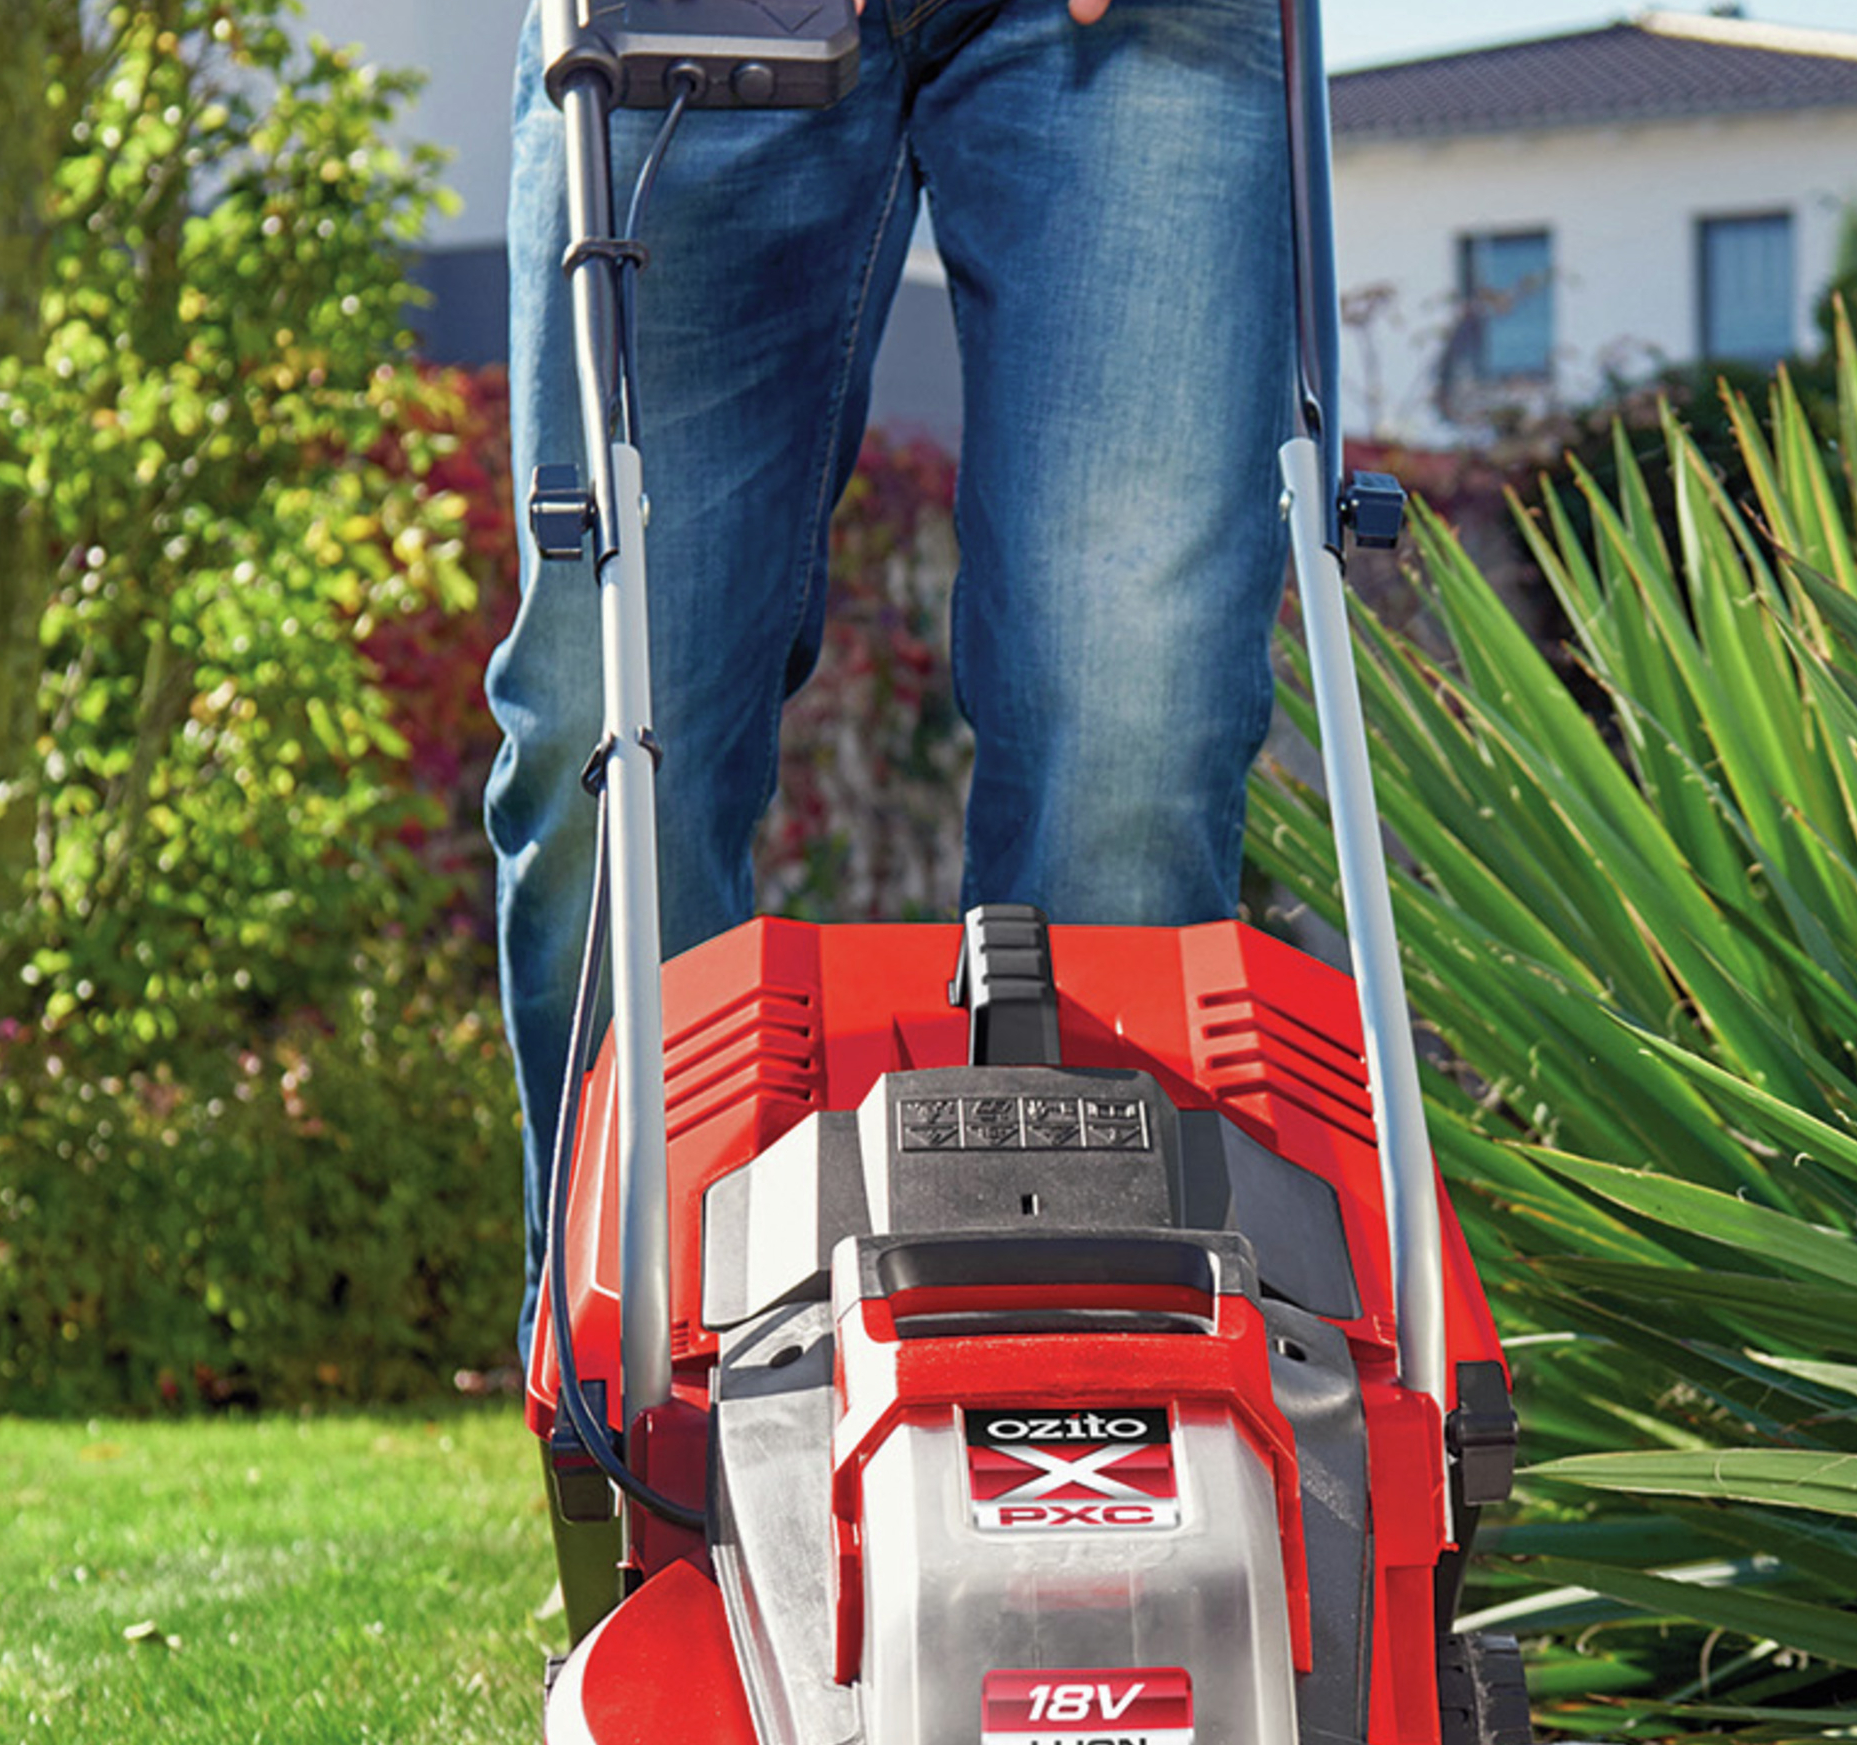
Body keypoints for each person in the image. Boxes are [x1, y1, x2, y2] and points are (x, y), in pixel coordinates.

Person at [481, 0, 1299, 1348]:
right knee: (609, 731)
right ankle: (633, 1429)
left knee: (1130, 738)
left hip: (1129, 32)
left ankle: (1086, 1433)